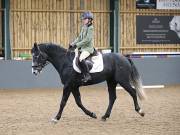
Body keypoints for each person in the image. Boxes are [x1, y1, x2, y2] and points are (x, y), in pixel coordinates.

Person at [69, 11, 94, 82]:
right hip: (82, 48)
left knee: (80, 58)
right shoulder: (84, 27)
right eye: (83, 19)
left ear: (89, 20)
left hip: (88, 49)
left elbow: (87, 40)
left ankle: (87, 75)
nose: (83, 20)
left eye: (85, 19)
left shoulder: (91, 28)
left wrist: (77, 45)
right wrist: (73, 43)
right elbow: (79, 37)